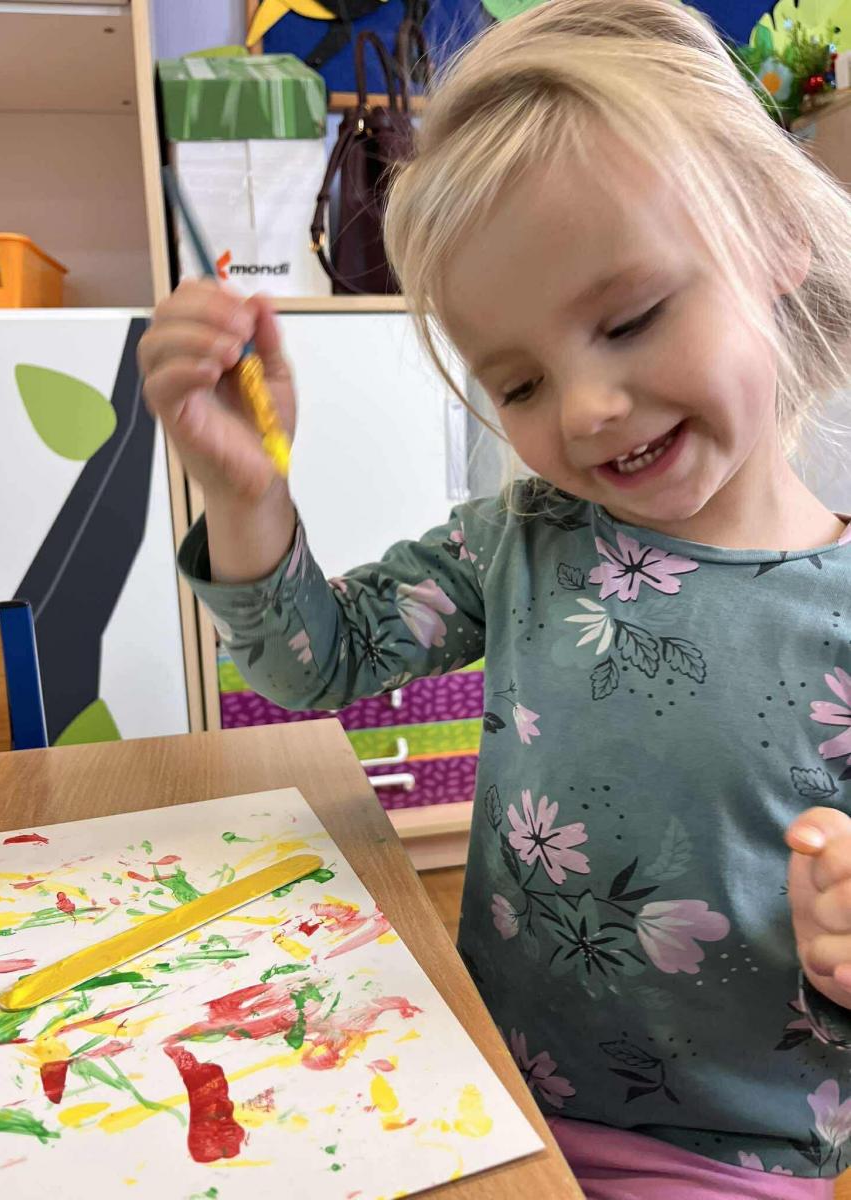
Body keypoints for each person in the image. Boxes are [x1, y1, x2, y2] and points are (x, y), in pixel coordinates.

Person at [138, 1, 851, 1194]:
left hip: (727, 1155)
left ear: (776, 237)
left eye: (630, 319)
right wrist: (248, 494)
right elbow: (315, 663)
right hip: (471, 1086)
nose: (586, 410)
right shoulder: (522, 539)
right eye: (518, 384)